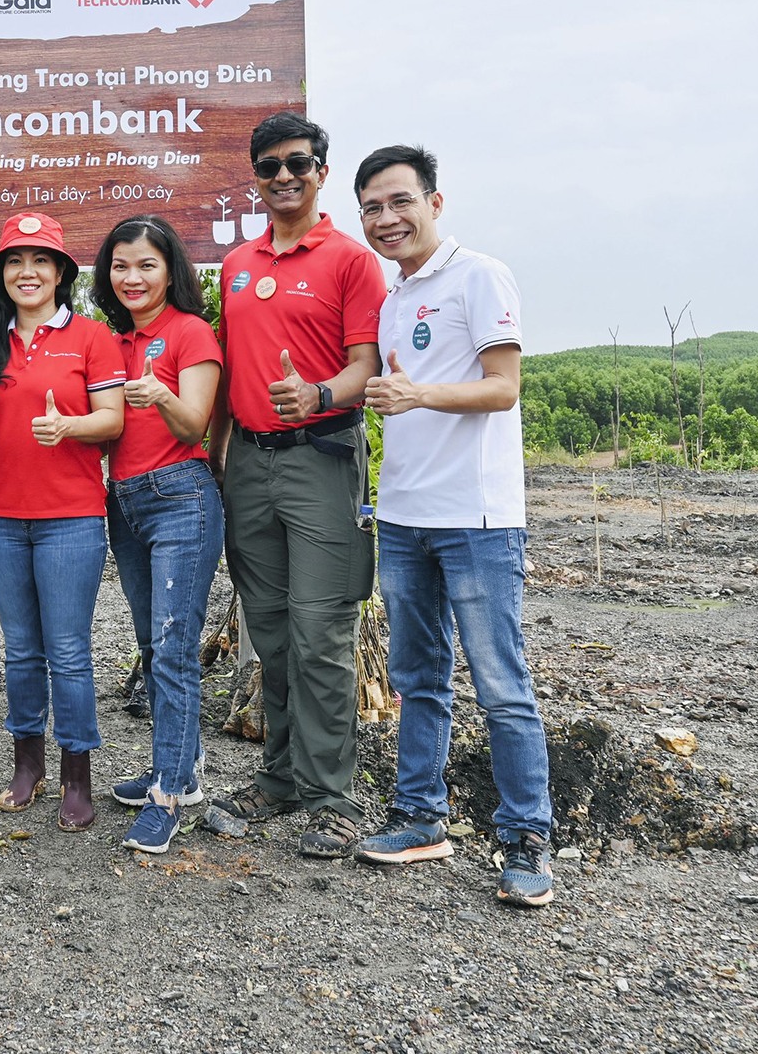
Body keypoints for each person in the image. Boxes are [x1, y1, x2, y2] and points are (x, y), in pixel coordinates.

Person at [348, 144, 554, 907]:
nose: (387, 218)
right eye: (372, 207)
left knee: (502, 684)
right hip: (403, 515)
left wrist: (420, 396)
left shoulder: (480, 276)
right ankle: (418, 817)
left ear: (435, 202)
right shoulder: (393, 298)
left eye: (400, 201)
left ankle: (527, 838)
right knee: (417, 679)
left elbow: (503, 389)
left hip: (477, 518)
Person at [209, 111, 388, 860]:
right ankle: (279, 778)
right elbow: (223, 372)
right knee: (273, 633)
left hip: (322, 454)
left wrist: (317, 394)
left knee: (321, 633)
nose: (284, 176)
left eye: (299, 164)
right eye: (270, 166)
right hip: (247, 461)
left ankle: (332, 796)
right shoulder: (235, 264)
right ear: (254, 176)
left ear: (320, 171)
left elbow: (367, 364)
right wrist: (214, 462)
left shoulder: (349, 259)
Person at [0, 212, 125, 831]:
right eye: (15, 262)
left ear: (61, 273)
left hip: (70, 520)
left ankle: (76, 774)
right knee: (22, 651)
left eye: (41, 261)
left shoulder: (92, 338)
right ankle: (25, 763)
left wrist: (70, 426)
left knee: (69, 651)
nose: (27, 272)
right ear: (1, 274)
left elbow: (112, 420)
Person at [90, 216, 224, 855]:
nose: (132, 277)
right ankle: (183, 766)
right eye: (120, 265)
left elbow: (195, 422)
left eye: (146, 264)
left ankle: (170, 793)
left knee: (173, 646)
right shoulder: (111, 342)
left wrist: (160, 394)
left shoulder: (191, 332)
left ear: (170, 269)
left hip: (181, 497)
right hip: (126, 502)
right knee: (151, 643)